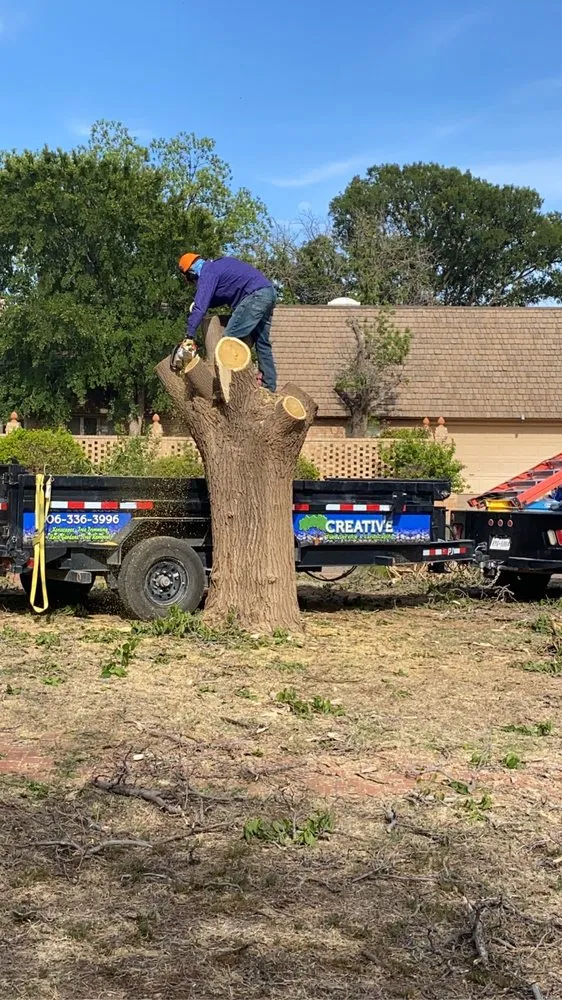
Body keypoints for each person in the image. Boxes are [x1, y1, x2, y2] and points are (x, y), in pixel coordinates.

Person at [176, 253, 278, 391]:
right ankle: (269, 387)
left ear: (191, 273)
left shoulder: (207, 272)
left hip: (254, 297)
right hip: (268, 293)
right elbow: (222, 296)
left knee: (228, 340)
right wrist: (201, 304)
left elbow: (201, 308)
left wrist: (189, 336)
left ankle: (228, 386)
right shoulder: (217, 266)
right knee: (262, 343)